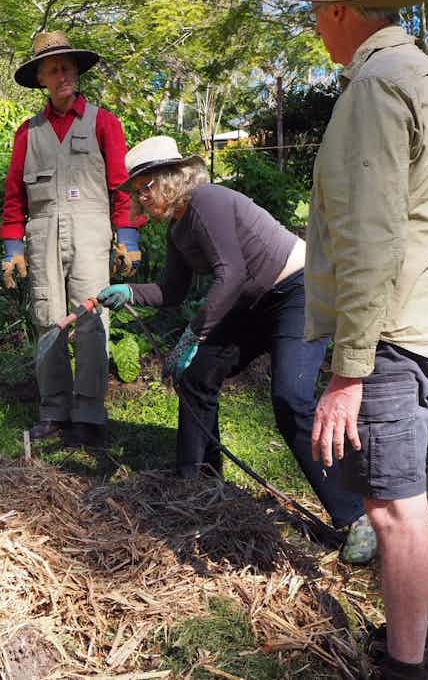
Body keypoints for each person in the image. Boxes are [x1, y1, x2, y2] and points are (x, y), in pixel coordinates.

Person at [279, 0, 428, 680]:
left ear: (348, 12)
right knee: (396, 502)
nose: (315, 23)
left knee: (393, 507)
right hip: (424, 315)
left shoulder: (375, 88)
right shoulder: (426, 79)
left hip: (389, 330)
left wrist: (349, 371)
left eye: (319, 10)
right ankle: (411, 643)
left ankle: (409, 666)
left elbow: (372, 239)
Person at [98, 134, 377, 564]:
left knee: (291, 399)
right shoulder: (177, 229)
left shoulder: (206, 201)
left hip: (298, 291)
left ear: (170, 179)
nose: (140, 199)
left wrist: (194, 335)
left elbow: (230, 275)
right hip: (253, 302)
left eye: (144, 188)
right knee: (195, 377)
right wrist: (129, 293)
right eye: (136, 191)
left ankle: (356, 516)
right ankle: (197, 485)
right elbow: (171, 291)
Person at [0, 31, 144, 448]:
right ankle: (54, 411)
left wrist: (128, 237)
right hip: (42, 235)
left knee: (92, 320)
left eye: (67, 67)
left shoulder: (104, 122)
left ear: (76, 72)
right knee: (48, 321)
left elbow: (122, 187)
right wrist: (13, 248)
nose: (62, 75)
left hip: (91, 233)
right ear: (41, 78)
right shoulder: (28, 133)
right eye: (53, 69)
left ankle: (90, 414)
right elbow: (14, 196)